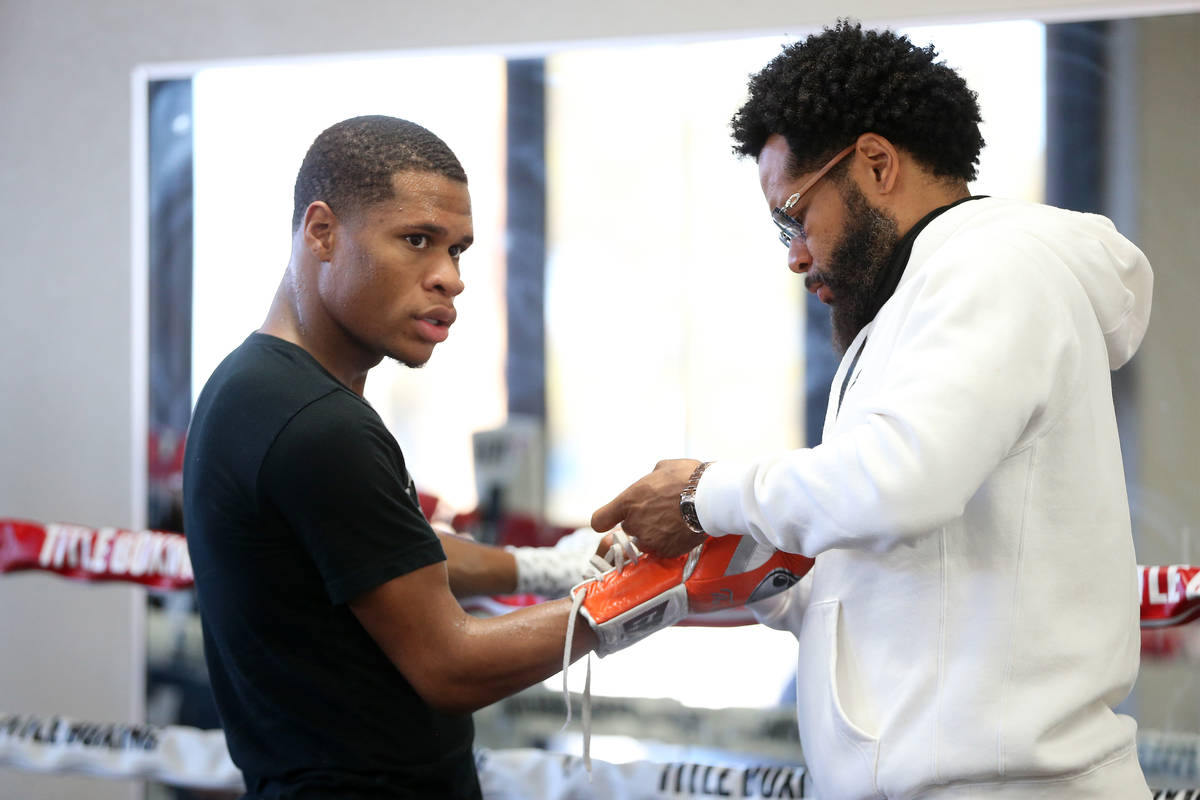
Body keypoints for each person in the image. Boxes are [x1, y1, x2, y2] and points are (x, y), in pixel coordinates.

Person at [591, 21, 1153, 799]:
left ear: (876, 164)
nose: (793, 254)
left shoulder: (996, 267)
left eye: (794, 215)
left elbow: (900, 483)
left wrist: (702, 494)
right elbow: (886, 561)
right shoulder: (917, 301)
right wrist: (721, 548)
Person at [182, 115, 602, 800]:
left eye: (458, 251)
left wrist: (550, 565)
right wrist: (643, 597)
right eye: (416, 241)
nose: (449, 279)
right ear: (322, 232)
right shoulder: (319, 426)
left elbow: (388, 554)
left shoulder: (253, 385)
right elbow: (451, 666)